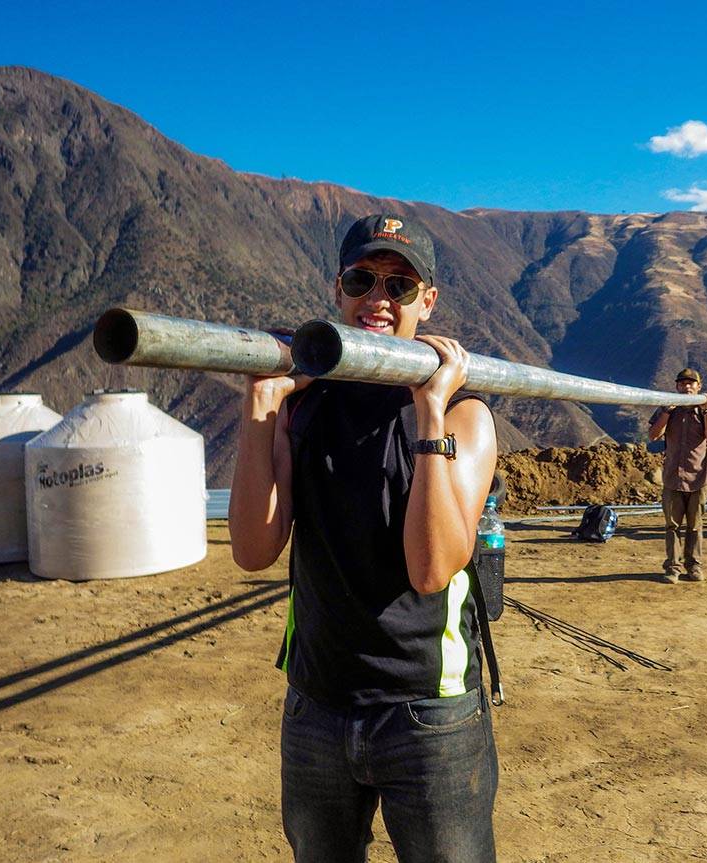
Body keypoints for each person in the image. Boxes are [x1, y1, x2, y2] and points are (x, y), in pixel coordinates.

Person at [228, 214, 499, 862]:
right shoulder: (305, 403)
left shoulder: (466, 415)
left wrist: (429, 410)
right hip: (317, 703)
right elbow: (253, 550)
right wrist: (261, 410)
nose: (378, 297)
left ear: (427, 301)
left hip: (428, 714)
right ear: (338, 288)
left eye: (399, 285)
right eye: (362, 279)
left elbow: (431, 569)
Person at [648, 368, 707, 583]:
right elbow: (653, 435)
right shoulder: (668, 408)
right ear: (677, 386)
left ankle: (694, 565)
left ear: (699, 386)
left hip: (699, 477)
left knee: (695, 525)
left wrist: (706, 412)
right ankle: (673, 567)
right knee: (672, 526)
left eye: (691, 383)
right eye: (682, 383)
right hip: (673, 477)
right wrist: (666, 412)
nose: (687, 386)